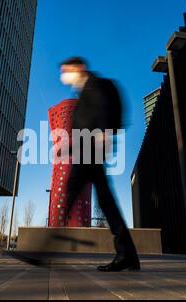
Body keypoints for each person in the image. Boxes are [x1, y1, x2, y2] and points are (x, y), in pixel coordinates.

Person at [60, 57, 140, 272]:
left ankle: (48, 246)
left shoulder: (95, 85)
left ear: (79, 68)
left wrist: (103, 135)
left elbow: (103, 108)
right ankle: (128, 255)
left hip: (91, 149)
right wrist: (67, 148)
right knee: (106, 201)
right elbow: (82, 125)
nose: (63, 76)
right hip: (86, 149)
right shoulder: (81, 93)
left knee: (71, 191)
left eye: (66, 70)